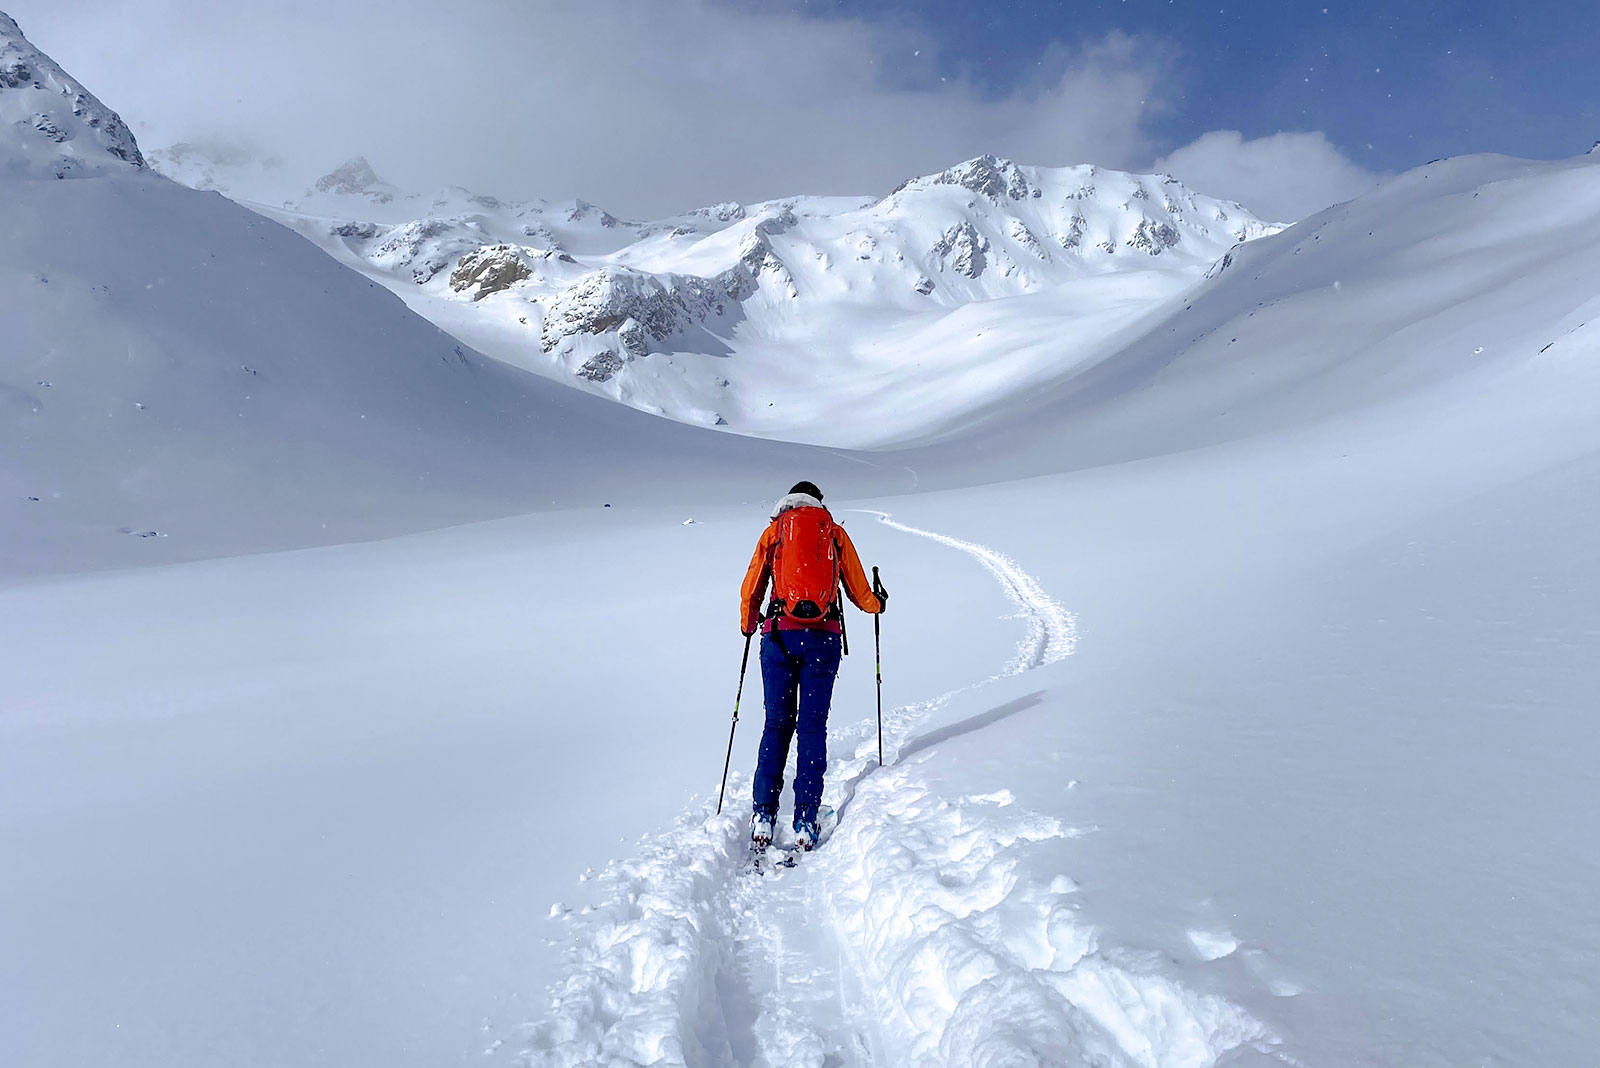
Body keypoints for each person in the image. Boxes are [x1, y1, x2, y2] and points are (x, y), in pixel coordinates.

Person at [739, 481, 886, 851]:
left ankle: (763, 815)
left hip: (778, 637)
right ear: (819, 503)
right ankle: (805, 818)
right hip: (823, 639)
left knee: (776, 725)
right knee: (811, 727)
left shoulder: (775, 532)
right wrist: (877, 605)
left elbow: (752, 584)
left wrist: (748, 621)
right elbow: (857, 589)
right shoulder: (832, 533)